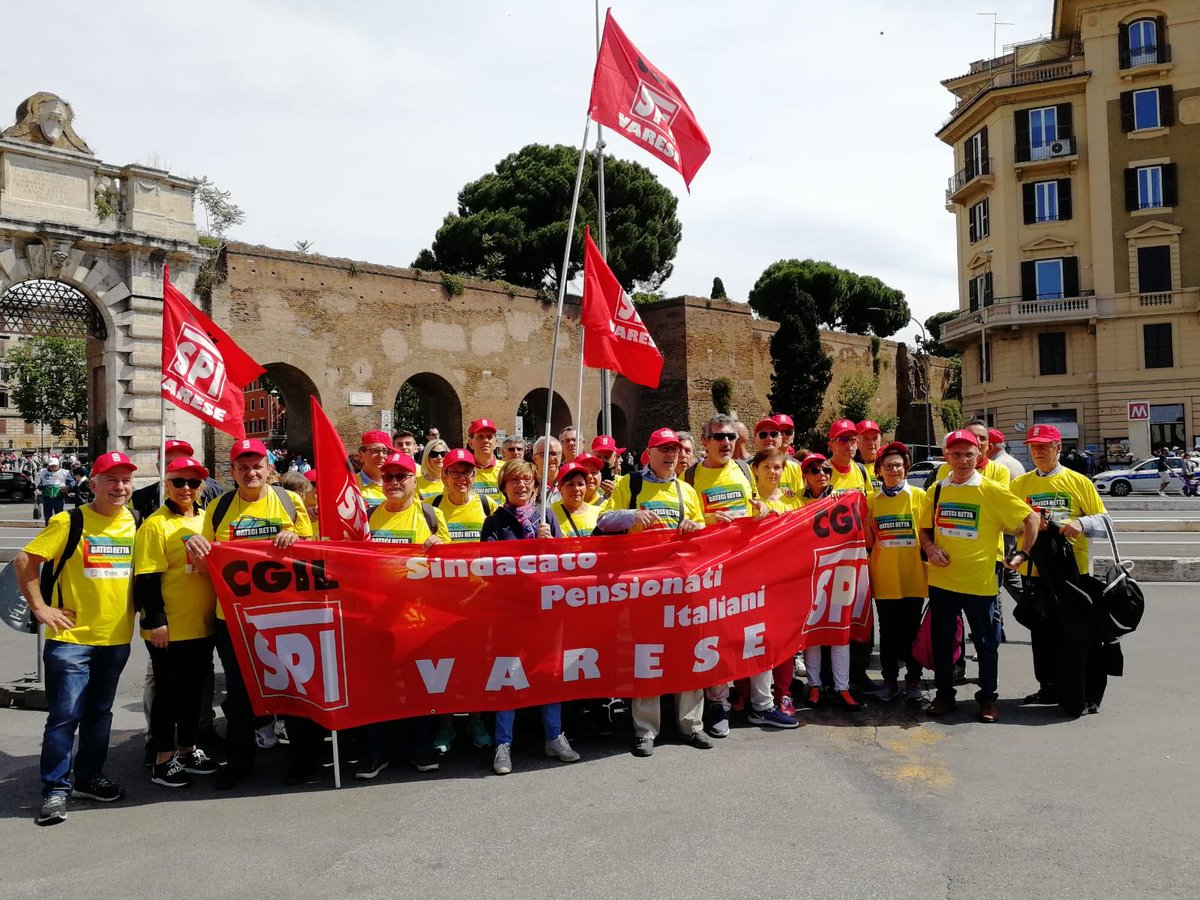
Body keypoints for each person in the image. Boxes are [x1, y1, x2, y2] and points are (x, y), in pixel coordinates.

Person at [16, 451, 139, 826]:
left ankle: (88, 778)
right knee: (65, 717)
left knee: (99, 714)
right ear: (93, 484)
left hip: (115, 638)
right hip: (71, 640)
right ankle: (55, 789)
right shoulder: (68, 521)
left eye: (125, 480)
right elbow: (25, 561)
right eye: (111, 479)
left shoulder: (136, 523)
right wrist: (40, 609)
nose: (119, 487)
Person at [182, 438, 313, 789]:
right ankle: (238, 763)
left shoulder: (290, 501)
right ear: (233, 471)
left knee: (293, 687)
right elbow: (206, 565)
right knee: (239, 693)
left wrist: (293, 538)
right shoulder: (219, 507)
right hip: (234, 619)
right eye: (243, 467)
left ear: (269, 469)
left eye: (257, 466)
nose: (251, 472)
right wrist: (194, 548)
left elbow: (311, 552)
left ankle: (302, 761)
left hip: (284, 616)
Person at [596, 428, 712, 757]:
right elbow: (604, 520)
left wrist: (695, 527)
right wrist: (631, 515)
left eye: (674, 449)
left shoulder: (686, 491)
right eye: (664, 449)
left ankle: (692, 725)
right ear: (649, 453)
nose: (671, 454)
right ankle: (645, 730)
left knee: (689, 654)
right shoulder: (629, 484)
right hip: (643, 588)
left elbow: (703, 532)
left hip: (681, 587)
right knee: (647, 657)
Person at [921, 430, 1039, 723]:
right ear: (946, 457)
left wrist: (1022, 553)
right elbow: (923, 529)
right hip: (942, 582)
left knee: (986, 644)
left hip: (980, 584)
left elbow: (1030, 518)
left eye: (968, 455)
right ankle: (944, 694)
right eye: (956, 455)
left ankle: (987, 698)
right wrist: (930, 547)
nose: (962, 461)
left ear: (979, 456)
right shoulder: (936, 490)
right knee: (942, 643)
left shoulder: (990, 490)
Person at [481, 459, 580, 774]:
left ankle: (554, 736)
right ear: (504, 486)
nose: (521, 485)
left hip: (546, 611)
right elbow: (489, 569)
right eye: (514, 480)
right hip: (510, 614)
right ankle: (503, 743)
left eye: (526, 479)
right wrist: (527, 548)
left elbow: (565, 563)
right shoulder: (494, 522)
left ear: (536, 485)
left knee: (549, 672)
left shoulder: (546, 516)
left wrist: (551, 544)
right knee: (508, 676)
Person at [357, 451, 449, 779]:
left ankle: (420, 748)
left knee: (420, 688)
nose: (394, 482)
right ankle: (376, 753)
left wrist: (440, 548)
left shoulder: (431, 515)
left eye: (401, 476)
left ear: (414, 480)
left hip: (418, 620)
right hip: (375, 621)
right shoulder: (368, 517)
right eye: (388, 477)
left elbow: (453, 567)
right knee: (376, 689)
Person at [1010, 424, 1110, 716]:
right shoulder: (1020, 485)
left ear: (1058, 448)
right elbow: (1007, 522)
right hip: (1035, 572)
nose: (1038, 451)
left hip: (1073, 575)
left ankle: (1084, 693)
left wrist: (1081, 523)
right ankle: (1049, 687)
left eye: (1044, 446)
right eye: (1033, 447)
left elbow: (1104, 520)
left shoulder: (1079, 482)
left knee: (1077, 636)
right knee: (1042, 635)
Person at [133, 457, 220, 788]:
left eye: (193, 483)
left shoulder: (206, 518)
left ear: (202, 487)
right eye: (179, 482)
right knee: (168, 695)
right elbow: (147, 578)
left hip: (202, 623)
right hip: (169, 627)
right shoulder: (155, 525)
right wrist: (156, 620)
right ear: (166, 484)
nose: (186, 488)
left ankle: (188, 749)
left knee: (193, 693)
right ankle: (162, 759)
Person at [429, 448, 494, 752]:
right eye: (454, 472)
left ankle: (476, 720)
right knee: (444, 667)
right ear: (444, 476)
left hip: (480, 600)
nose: (461, 478)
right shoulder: (431, 508)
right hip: (442, 602)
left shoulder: (488, 505)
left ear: (474, 475)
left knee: (476, 665)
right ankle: (446, 724)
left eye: (466, 472)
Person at [795, 454, 862, 710]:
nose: (821, 474)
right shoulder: (796, 501)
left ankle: (842, 687)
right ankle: (814, 685)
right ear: (805, 476)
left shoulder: (841, 498)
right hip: (809, 573)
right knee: (812, 632)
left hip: (839, 573)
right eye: (814, 470)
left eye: (825, 470)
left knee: (840, 631)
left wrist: (846, 497)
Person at [867, 443, 927, 702]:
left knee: (912, 632)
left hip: (913, 576)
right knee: (888, 633)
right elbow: (869, 541)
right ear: (879, 470)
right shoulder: (871, 502)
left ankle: (913, 679)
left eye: (899, 465)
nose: (894, 470)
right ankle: (889, 679)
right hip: (885, 577)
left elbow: (928, 535)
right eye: (888, 466)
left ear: (906, 468)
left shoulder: (920, 496)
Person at [131, 439, 221, 524]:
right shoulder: (139, 499)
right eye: (169, 463)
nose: (177, 466)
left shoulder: (212, 493)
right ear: (159, 467)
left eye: (183, 462)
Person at [754, 417, 804, 497]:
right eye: (763, 435)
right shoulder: (745, 469)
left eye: (774, 434)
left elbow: (800, 499)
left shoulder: (795, 468)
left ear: (780, 438)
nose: (769, 438)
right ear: (754, 439)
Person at [552, 462, 601, 536]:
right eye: (571, 484)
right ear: (560, 488)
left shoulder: (599, 514)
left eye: (580, 484)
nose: (576, 489)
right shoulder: (551, 515)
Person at [357, 430, 393, 512]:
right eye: (375, 451)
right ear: (361, 455)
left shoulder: (399, 483)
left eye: (385, 451)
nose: (381, 455)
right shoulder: (352, 485)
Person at [467, 418, 502, 501]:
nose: (485, 440)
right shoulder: (463, 471)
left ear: (496, 443)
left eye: (489, 437)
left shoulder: (505, 469)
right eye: (480, 437)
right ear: (471, 443)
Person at [36, 456, 72, 521]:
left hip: (58, 497)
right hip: (47, 498)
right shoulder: (43, 472)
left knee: (58, 516)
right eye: (51, 466)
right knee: (47, 517)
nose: (53, 468)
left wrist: (68, 486)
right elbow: (39, 483)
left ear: (58, 465)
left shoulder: (65, 472)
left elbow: (72, 482)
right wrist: (37, 489)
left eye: (55, 466)